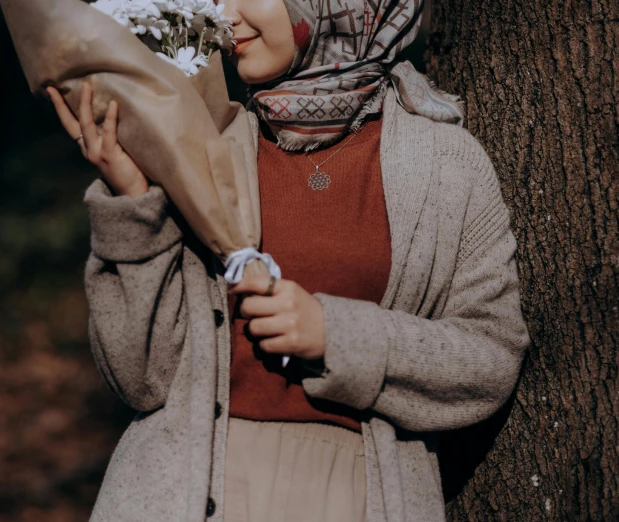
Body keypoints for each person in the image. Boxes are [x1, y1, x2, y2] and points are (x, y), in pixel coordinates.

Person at [46, 0, 530, 520]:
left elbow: (491, 356)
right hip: (179, 494)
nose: (225, 17)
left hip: (356, 498)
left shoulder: (446, 165)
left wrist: (337, 336)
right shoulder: (201, 148)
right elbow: (141, 380)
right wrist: (132, 203)